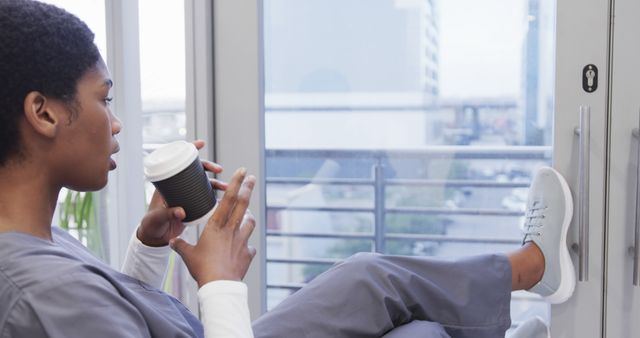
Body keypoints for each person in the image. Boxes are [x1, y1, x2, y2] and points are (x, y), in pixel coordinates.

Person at [0, 1, 575, 337]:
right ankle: (533, 267)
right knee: (376, 286)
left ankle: (525, 276)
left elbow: (126, 317)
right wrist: (220, 283)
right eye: (105, 99)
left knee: (400, 310)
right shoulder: (40, 293)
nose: (117, 123)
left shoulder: (37, 243)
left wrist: (150, 250)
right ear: (44, 112)